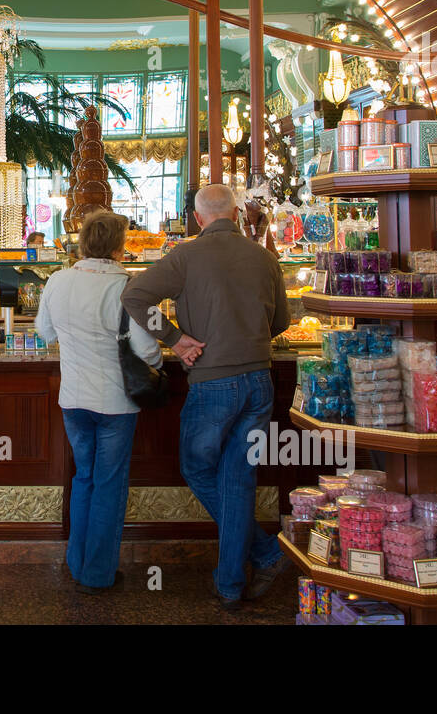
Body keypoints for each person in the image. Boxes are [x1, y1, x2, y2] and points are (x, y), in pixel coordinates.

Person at [122, 183, 290, 608]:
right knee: (239, 479)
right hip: (259, 381)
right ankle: (238, 576)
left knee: (199, 470)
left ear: (198, 219)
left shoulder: (185, 255)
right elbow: (281, 322)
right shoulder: (264, 257)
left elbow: (135, 296)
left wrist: (176, 339)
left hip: (213, 383)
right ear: (235, 213)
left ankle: (260, 558)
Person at [34, 211, 163, 594]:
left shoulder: (58, 280)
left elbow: (44, 333)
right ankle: (97, 573)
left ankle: (77, 563)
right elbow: (149, 353)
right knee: (108, 484)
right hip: (116, 403)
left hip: (73, 399)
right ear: (120, 246)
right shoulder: (128, 286)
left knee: (84, 478)